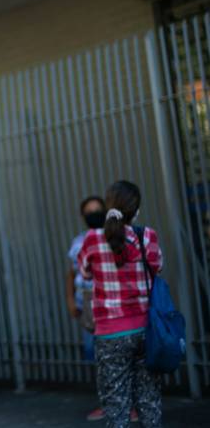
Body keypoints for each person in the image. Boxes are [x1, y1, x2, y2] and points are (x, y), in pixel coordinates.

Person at [78, 181, 163, 428]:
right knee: (149, 401)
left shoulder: (93, 238)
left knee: (116, 406)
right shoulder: (147, 235)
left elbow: (83, 273)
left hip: (109, 335)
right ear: (136, 210)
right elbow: (157, 267)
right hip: (145, 330)